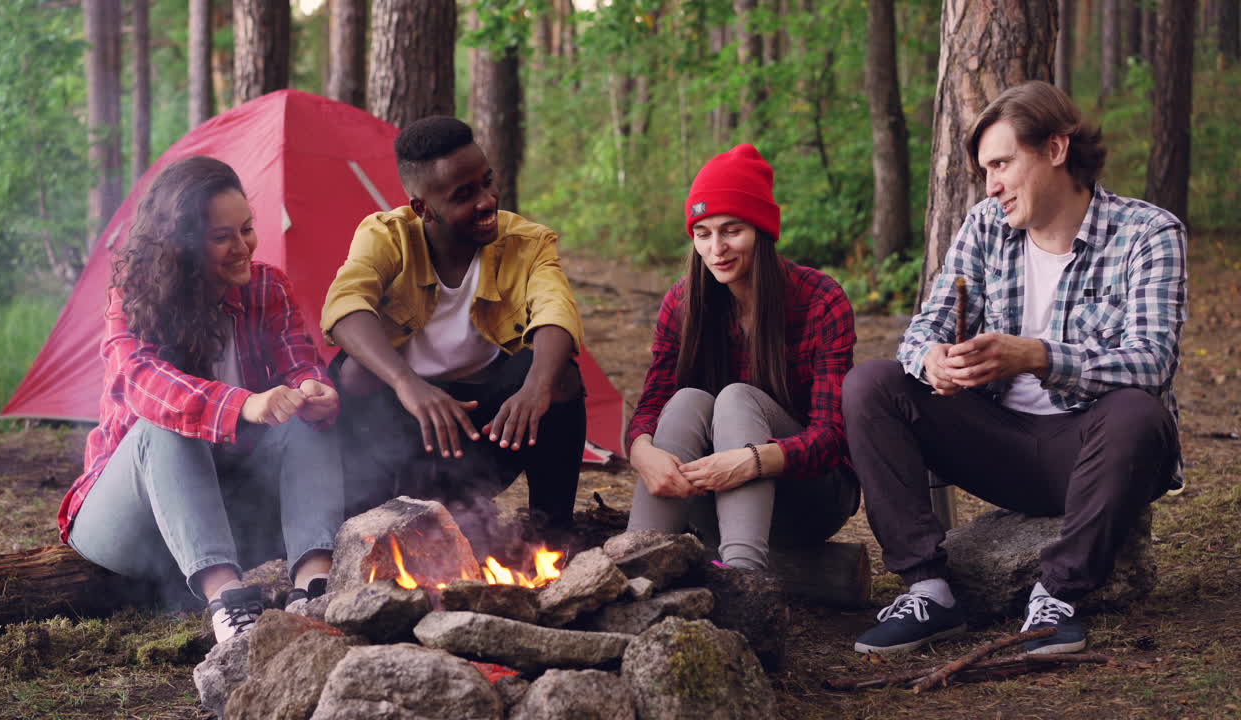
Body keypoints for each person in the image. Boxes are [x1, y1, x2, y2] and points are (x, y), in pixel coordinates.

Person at [845, 81, 1185, 655]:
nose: (992, 184)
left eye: (1002, 163)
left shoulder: (1147, 234)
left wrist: (1038, 355)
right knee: (871, 384)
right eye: (985, 170)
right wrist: (934, 361)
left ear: (1055, 149)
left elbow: (1152, 362)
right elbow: (923, 327)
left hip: (1096, 450)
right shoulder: (985, 226)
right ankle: (931, 592)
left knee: (1138, 412)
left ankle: (1056, 597)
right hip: (999, 444)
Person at [61, 156, 344, 643]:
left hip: (227, 507)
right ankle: (229, 604)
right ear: (183, 246)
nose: (243, 247)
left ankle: (313, 588)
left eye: (248, 229)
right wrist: (242, 404)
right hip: (128, 523)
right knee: (163, 424)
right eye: (222, 237)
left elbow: (301, 362)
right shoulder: (132, 297)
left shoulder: (267, 287)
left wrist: (314, 389)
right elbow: (143, 382)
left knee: (304, 418)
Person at [321, 116, 586, 552]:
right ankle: (363, 525)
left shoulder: (527, 242)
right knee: (354, 374)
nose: (488, 201)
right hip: (406, 439)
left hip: (488, 432)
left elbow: (556, 307)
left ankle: (552, 537)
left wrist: (536, 387)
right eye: (464, 195)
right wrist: (408, 383)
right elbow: (344, 306)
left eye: (487, 182)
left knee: (558, 376)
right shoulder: (386, 236)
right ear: (422, 208)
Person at [624, 144, 860, 571]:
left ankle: (744, 584)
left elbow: (832, 438)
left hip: (808, 501)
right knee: (685, 401)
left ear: (762, 231)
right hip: (710, 499)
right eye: (703, 233)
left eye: (732, 230)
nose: (717, 248)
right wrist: (643, 452)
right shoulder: (682, 302)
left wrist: (751, 461)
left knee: (736, 397)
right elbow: (651, 406)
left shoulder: (820, 300)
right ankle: (638, 569)